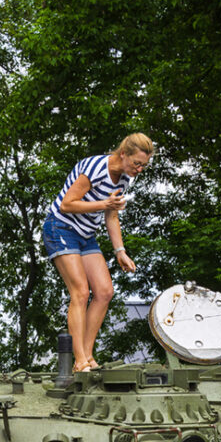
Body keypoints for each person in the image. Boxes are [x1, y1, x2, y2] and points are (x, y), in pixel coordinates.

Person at [42, 133, 153, 372]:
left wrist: (120, 251)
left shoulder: (124, 179)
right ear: (123, 154)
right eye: (137, 163)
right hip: (61, 227)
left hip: (86, 235)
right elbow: (67, 204)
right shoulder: (95, 168)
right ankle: (79, 360)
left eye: (143, 166)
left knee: (104, 292)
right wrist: (104, 204)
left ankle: (88, 355)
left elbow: (111, 215)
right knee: (81, 292)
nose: (139, 169)